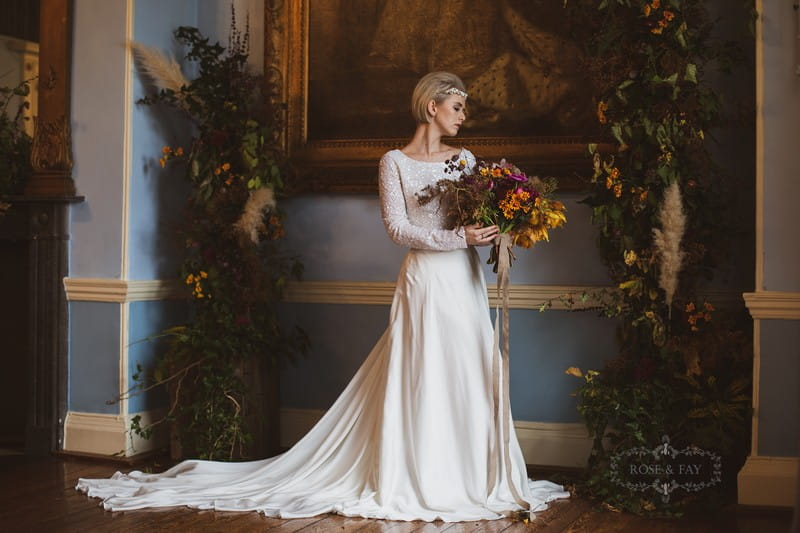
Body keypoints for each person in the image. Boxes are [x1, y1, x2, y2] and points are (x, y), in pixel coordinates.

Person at [76, 71, 570, 522]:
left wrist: (499, 228)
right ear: (431, 108)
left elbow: (479, 212)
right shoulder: (393, 162)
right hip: (425, 278)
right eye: (457, 107)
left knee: (468, 367)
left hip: (463, 280)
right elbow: (398, 229)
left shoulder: (465, 161)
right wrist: (458, 237)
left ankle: (476, 474)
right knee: (423, 370)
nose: (465, 116)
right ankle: (423, 473)